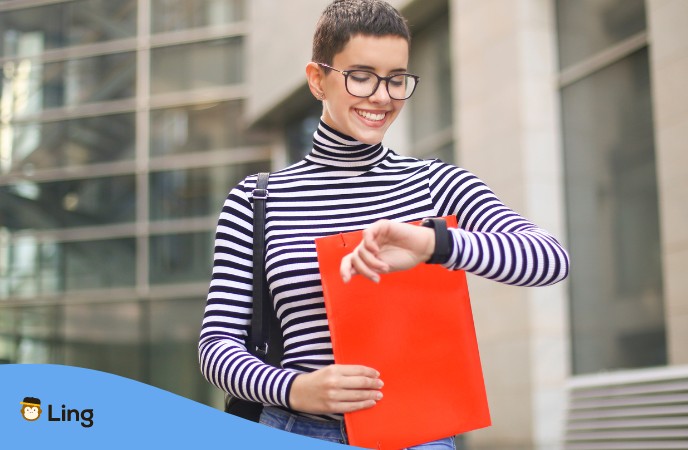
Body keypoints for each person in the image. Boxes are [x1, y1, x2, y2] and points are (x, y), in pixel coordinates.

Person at [198, 0, 569, 448]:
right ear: (318, 79)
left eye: (397, 79)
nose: (382, 96)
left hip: (419, 433)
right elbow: (217, 345)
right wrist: (295, 389)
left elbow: (550, 259)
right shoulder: (257, 200)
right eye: (361, 76)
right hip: (294, 427)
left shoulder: (435, 183)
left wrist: (435, 244)